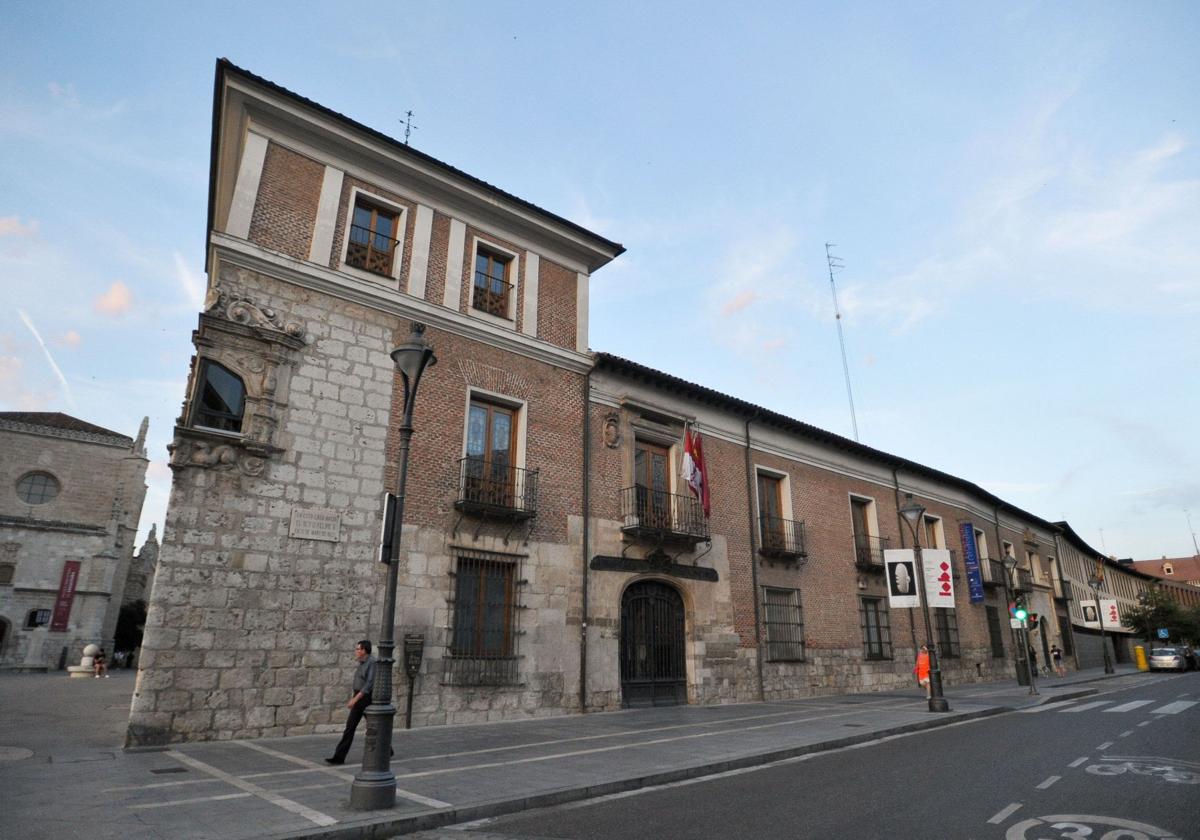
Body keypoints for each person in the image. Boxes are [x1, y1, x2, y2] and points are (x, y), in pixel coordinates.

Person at [326, 640, 376, 765]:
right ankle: (339, 757)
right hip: (358, 697)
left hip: (365, 698)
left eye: (358, 649)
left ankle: (387, 749)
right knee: (350, 727)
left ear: (364, 650)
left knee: (375, 727)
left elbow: (369, 684)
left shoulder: (372, 663)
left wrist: (355, 699)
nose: (356, 651)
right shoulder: (361, 662)